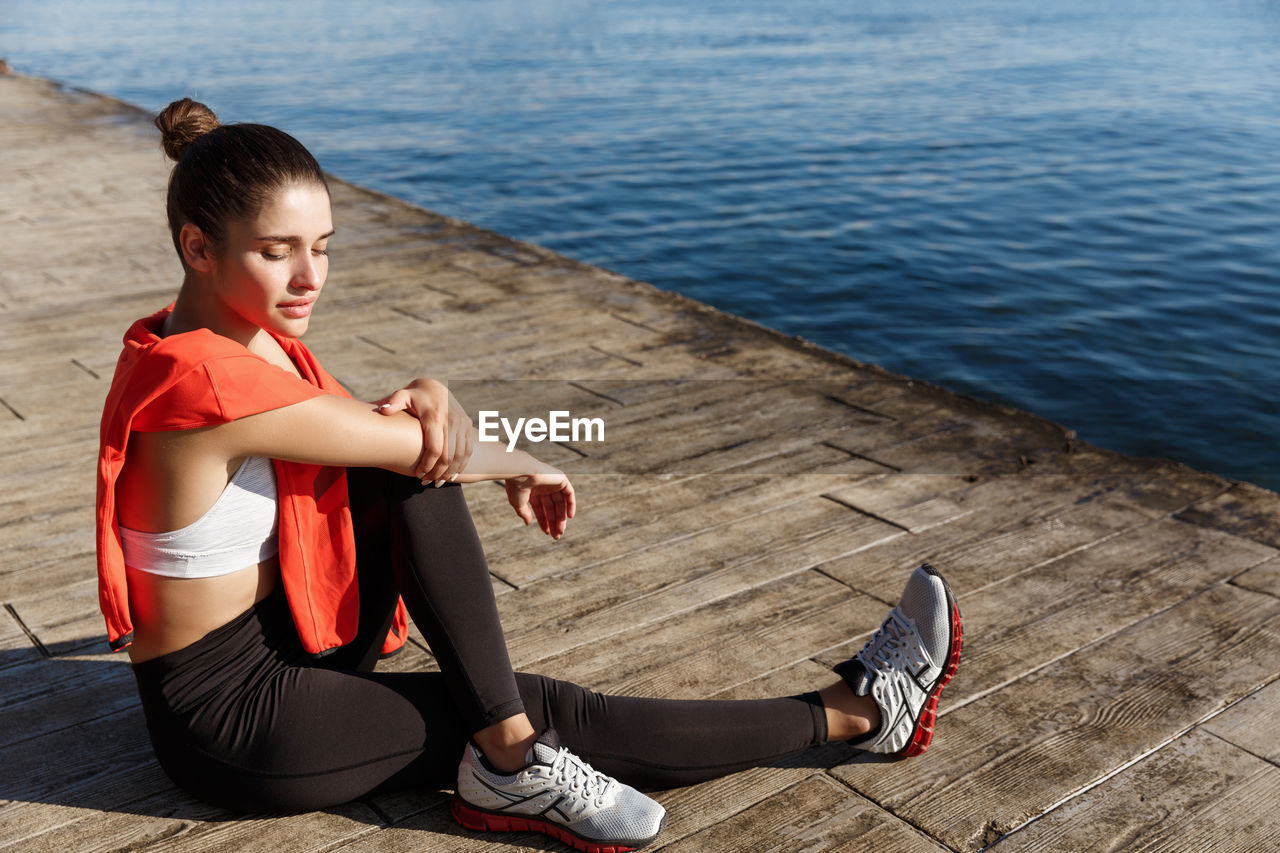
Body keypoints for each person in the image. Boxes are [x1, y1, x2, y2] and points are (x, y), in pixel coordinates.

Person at [93, 97, 963, 853]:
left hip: (285, 634)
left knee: (413, 467)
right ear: (199, 247)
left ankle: (505, 743)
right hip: (238, 720)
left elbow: (382, 436)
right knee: (546, 708)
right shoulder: (207, 380)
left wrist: (433, 397)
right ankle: (853, 713)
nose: (310, 276)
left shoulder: (212, 339)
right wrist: (520, 454)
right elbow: (411, 442)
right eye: (278, 251)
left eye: (323, 245)